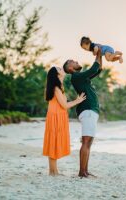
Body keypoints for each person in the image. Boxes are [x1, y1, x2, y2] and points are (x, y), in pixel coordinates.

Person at [63, 47, 102, 178]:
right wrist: (99, 52)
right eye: (72, 61)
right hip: (88, 111)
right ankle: (82, 172)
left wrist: (100, 55)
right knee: (86, 142)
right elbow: (93, 69)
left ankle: (85, 170)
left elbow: (98, 69)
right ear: (70, 68)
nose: (75, 61)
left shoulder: (81, 78)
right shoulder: (76, 77)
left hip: (90, 111)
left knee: (89, 142)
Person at [43, 66, 86, 176]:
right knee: (54, 142)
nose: (62, 69)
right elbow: (65, 105)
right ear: (57, 75)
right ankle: (52, 172)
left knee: (55, 142)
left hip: (58, 116)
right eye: (59, 69)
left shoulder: (59, 86)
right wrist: (78, 100)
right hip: (56, 116)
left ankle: (53, 171)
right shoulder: (56, 88)